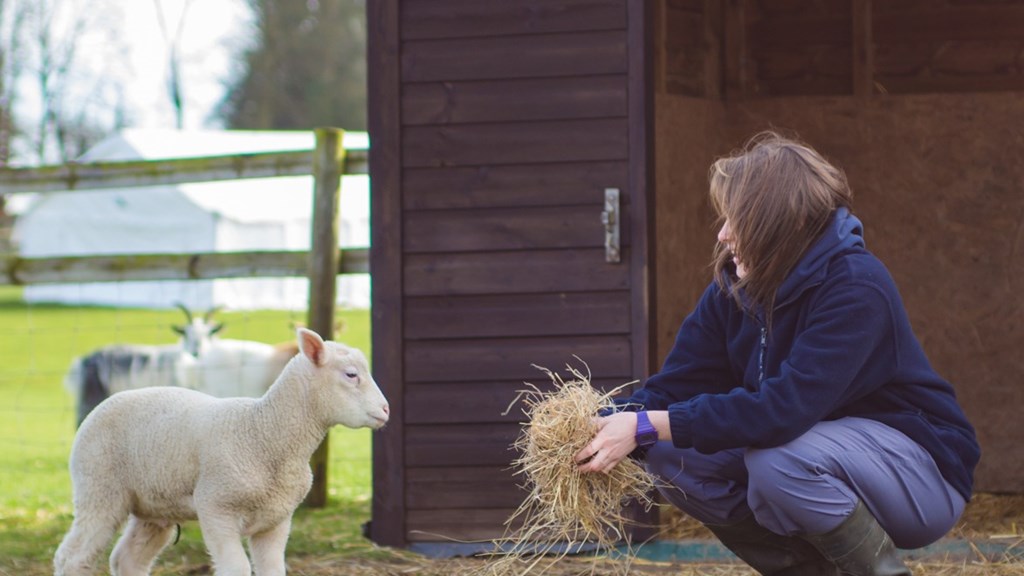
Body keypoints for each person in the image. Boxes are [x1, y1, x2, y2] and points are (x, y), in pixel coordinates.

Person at [574, 131, 980, 575]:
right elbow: (675, 387)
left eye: (736, 219)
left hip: (921, 478)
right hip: (814, 458)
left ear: (775, 223)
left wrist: (647, 425)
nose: (723, 234)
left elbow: (783, 412)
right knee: (668, 454)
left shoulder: (856, 287)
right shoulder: (733, 291)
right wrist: (603, 423)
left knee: (773, 459)